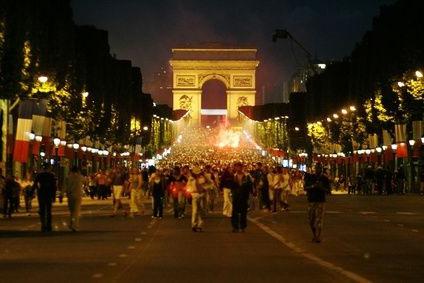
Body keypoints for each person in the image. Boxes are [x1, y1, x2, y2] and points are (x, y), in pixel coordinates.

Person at [304, 164, 329, 243]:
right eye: (317, 168)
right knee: (311, 220)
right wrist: (313, 186)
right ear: (315, 169)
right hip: (311, 200)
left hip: (320, 201)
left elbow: (328, 190)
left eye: (320, 168)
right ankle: (314, 234)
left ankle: (318, 236)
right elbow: (305, 187)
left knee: (319, 220)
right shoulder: (310, 177)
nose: (318, 170)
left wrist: (321, 187)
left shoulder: (324, 178)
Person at [34, 163, 57, 232]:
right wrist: (54, 196)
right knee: (49, 211)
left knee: (42, 210)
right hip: (49, 194)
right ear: (49, 168)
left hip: (41, 194)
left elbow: (35, 184)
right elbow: (54, 187)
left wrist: (33, 191)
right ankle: (49, 226)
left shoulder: (39, 175)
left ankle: (43, 225)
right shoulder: (52, 175)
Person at [231, 162, 252, 232]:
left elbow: (250, 186)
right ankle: (235, 226)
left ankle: (243, 226)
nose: (238, 168)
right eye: (236, 167)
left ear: (242, 167)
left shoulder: (247, 176)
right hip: (236, 196)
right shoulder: (233, 176)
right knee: (235, 212)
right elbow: (231, 186)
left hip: (244, 196)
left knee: (243, 212)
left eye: (239, 167)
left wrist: (250, 194)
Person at [65, 166, 84, 231]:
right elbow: (85, 181)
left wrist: (61, 194)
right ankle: (75, 225)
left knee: (72, 211)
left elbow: (64, 186)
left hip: (70, 195)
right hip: (78, 195)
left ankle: (71, 224)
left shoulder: (68, 177)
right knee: (76, 211)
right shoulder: (80, 177)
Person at [187, 166, 206, 232]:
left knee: (201, 210)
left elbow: (207, 184)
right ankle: (194, 225)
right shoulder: (191, 178)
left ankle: (200, 225)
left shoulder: (202, 178)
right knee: (195, 211)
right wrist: (189, 192)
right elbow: (188, 186)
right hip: (194, 195)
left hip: (201, 195)